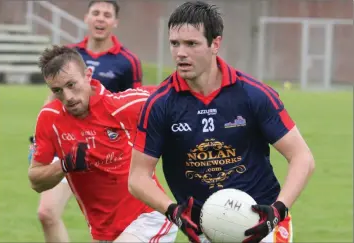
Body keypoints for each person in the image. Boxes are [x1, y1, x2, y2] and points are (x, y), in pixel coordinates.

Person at [128, 1, 315, 243]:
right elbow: (137, 177)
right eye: (174, 43)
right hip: (207, 231)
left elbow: (302, 157)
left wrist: (278, 209)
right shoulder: (160, 105)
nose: (180, 53)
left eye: (191, 44)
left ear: (215, 43)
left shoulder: (253, 94)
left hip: (264, 225)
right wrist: (174, 211)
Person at [28, 45, 178, 242]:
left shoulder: (124, 106)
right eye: (57, 91)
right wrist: (64, 165)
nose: (68, 97)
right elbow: (35, 180)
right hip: (104, 232)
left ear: (88, 75)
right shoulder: (50, 118)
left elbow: (171, 94)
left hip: (149, 218)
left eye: (71, 85)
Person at [28, 1, 144, 242]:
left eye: (107, 14)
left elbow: (136, 109)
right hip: (68, 142)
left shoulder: (127, 61)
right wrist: (39, 140)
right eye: (96, 13)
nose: (100, 19)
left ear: (115, 22)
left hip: (107, 148)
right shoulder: (68, 54)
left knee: (111, 227)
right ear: (87, 18)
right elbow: (52, 100)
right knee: (46, 212)